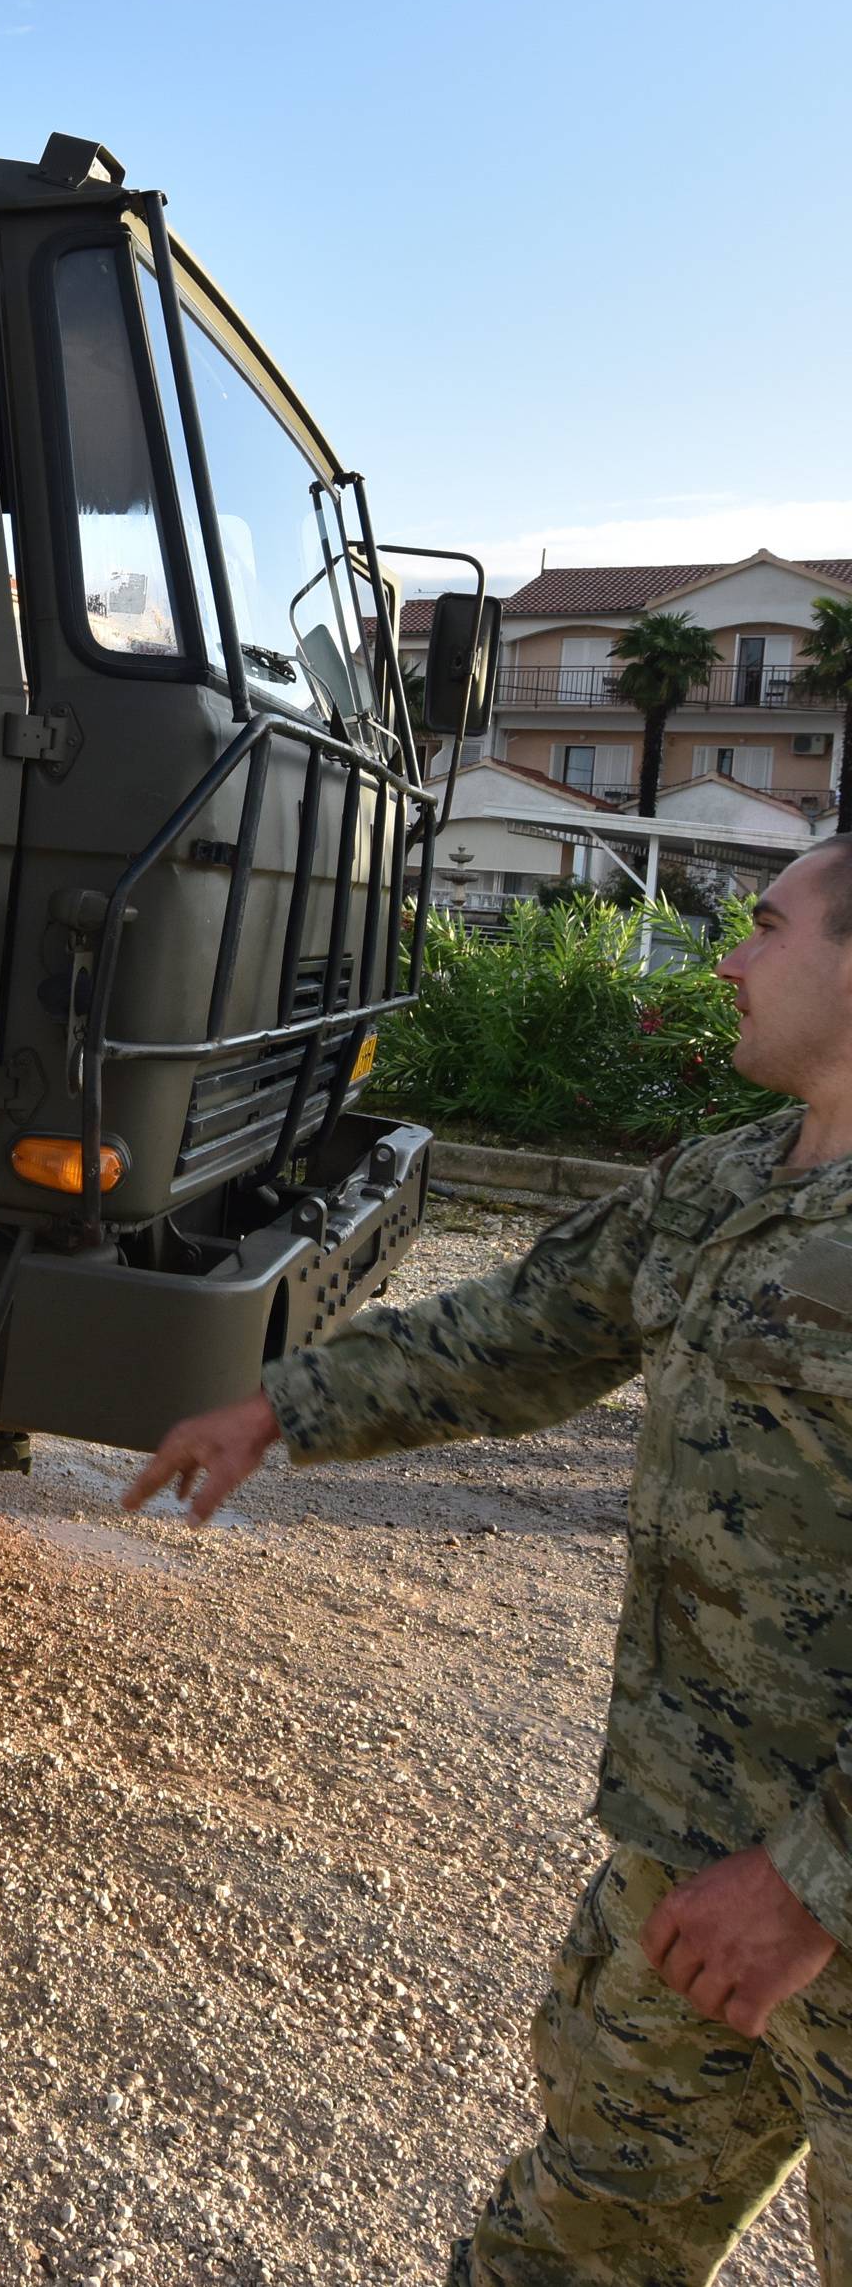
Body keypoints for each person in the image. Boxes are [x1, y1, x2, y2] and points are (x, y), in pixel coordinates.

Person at [123, 836, 852, 2284]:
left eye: (766, 927)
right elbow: (526, 1324)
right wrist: (282, 1407)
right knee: (580, 2236)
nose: (728, 957)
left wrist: (814, 1883)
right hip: (697, 1867)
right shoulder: (729, 1184)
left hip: (804, 1886)